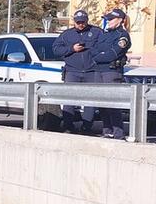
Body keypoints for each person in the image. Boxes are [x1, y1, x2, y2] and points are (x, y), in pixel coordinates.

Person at [52, 9, 101, 133]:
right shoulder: (67, 34)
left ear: (87, 21)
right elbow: (56, 49)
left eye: (83, 22)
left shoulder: (96, 32)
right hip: (72, 71)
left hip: (91, 71)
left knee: (90, 100)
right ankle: (68, 125)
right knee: (69, 99)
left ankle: (87, 127)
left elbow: (104, 47)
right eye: (78, 22)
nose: (81, 24)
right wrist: (71, 48)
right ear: (74, 21)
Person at [92, 8, 132, 140]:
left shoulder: (122, 36)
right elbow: (94, 51)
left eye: (111, 19)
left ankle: (118, 133)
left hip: (112, 71)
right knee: (101, 103)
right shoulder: (105, 34)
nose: (108, 21)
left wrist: (100, 56)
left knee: (113, 104)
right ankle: (107, 131)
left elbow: (113, 54)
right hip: (99, 71)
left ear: (120, 20)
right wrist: (99, 56)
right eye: (107, 19)